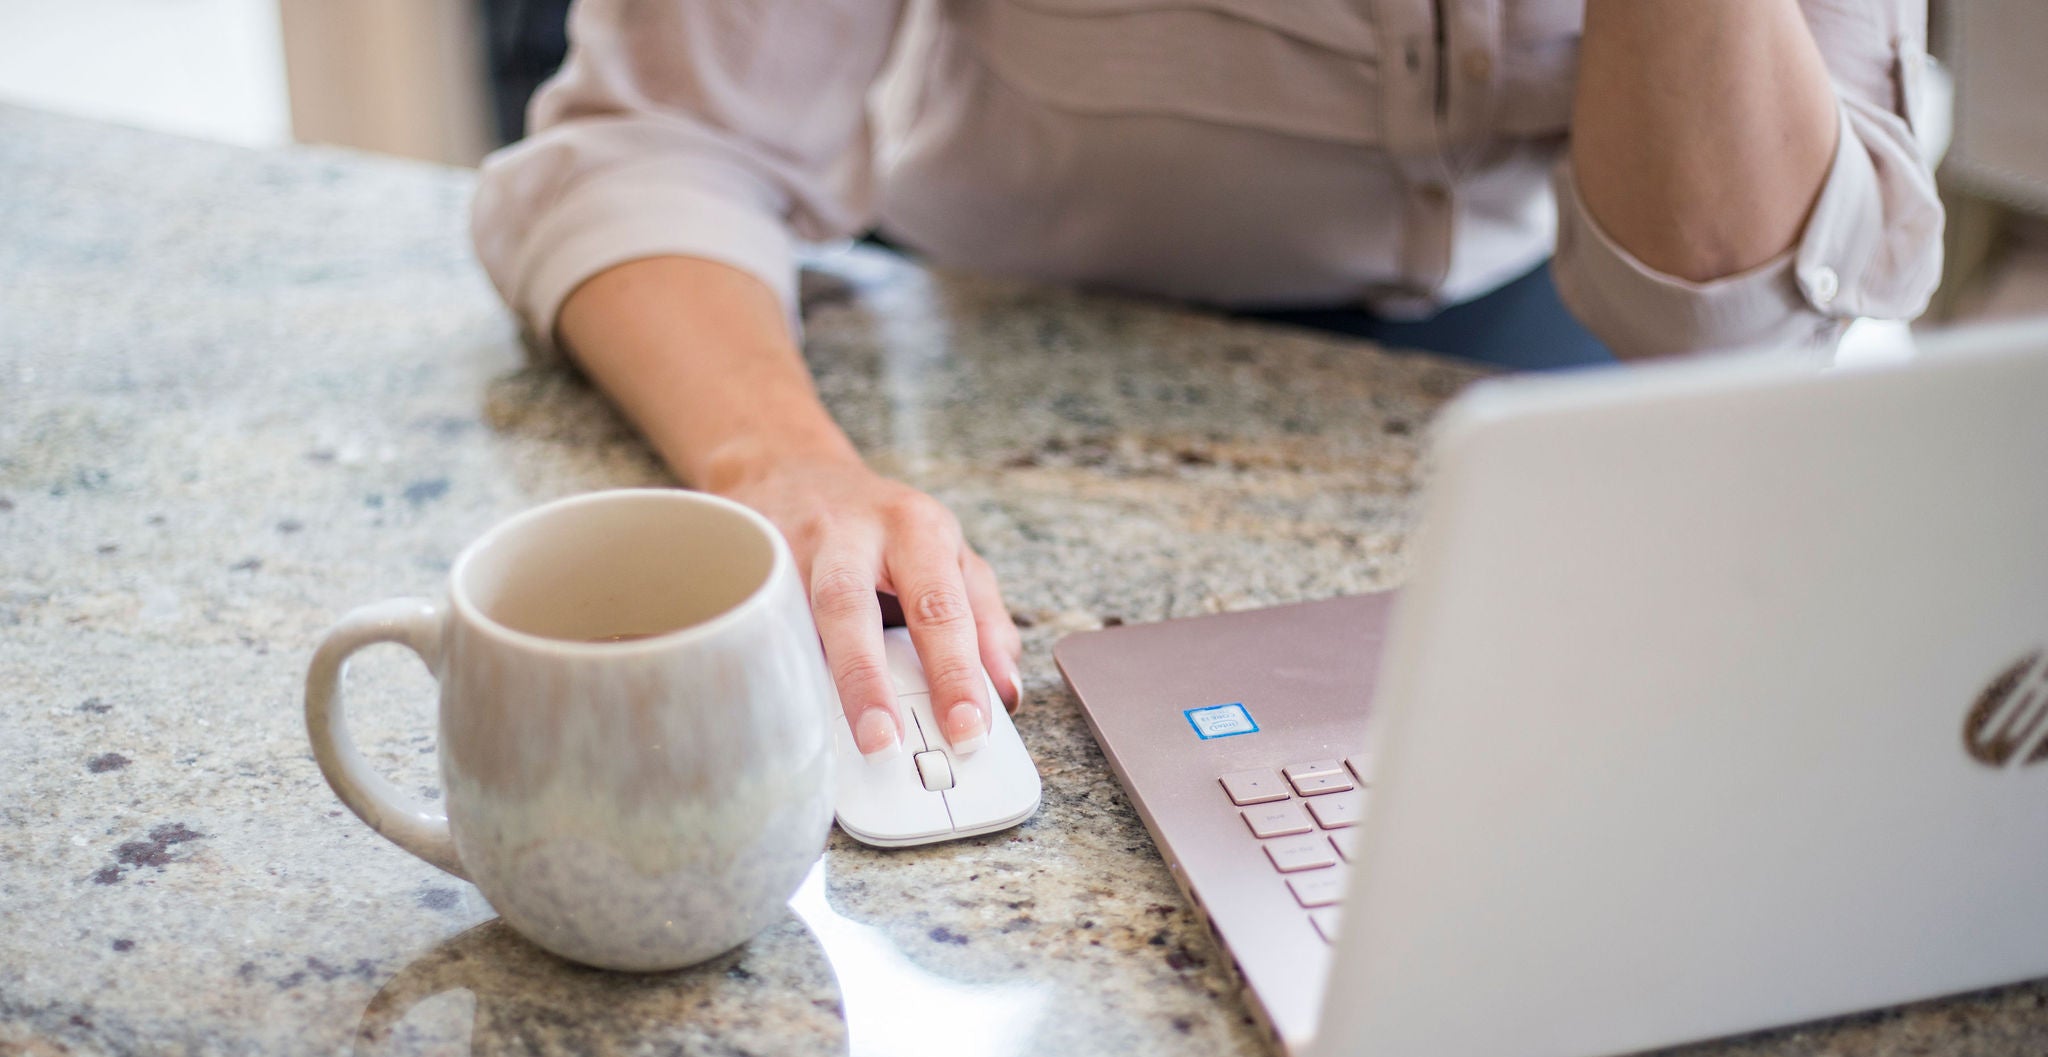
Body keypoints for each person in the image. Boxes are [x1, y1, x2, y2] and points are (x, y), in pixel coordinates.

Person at [472, 0, 1944, 766]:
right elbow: (653, 146)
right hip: (1005, 356)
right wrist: (780, 462)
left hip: (1560, 353)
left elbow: (1733, 308)